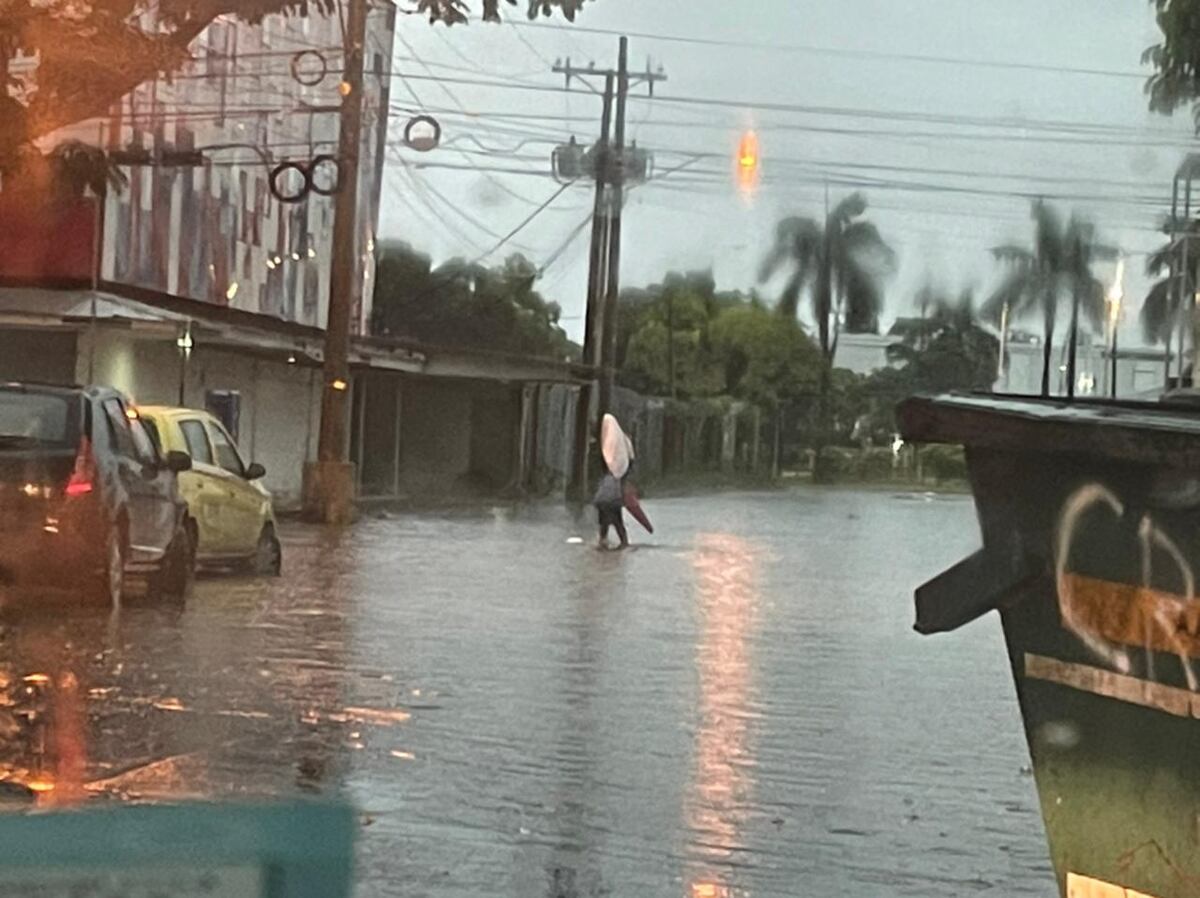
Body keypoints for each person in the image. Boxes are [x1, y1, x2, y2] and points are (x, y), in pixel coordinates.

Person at [593, 467, 629, 549]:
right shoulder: (617, 478)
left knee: (604, 524)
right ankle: (624, 543)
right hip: (612, 501)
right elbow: (620, 492)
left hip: (602, 501)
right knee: (618, 524)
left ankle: (602, 542)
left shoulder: (605, 478)